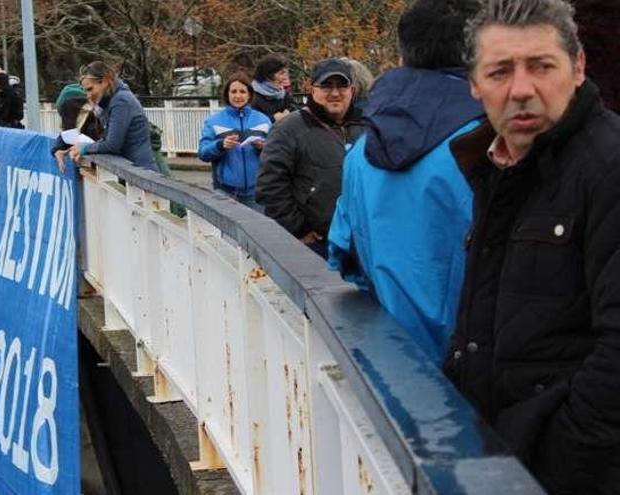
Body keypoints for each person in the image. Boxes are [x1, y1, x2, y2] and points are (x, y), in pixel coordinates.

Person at [443, 0, 620, 492]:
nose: (522, 90)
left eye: (542, 66)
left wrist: (553, 456)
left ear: (578, 66)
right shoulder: (500, 167)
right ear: (475, 84)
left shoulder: (607, 168)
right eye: (500, 71)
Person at [326, 0, 483, 362]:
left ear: (403, 54)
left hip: (396, 359)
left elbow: (343, 251)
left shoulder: (362, 151)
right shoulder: (496, 142)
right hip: (480, 369)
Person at [256, 58, 364, 257]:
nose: (335, 93)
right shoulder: (289, 129)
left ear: (352, 90)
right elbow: (270, 186)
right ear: (312, 90)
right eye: (326, 86)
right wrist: (298, 229)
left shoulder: (366, 126)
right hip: (318, 244)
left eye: (342, 86)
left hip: (362, 243)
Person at [198, 72, 271, 208]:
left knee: (255, 229)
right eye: (233, 92)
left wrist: (264, 147)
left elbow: (276, 153)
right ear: (227, 94)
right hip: (225, 191)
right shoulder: (214, 121)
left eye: (242, 91)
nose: (238, 96)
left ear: (249, 94)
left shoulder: (263, 120)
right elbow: (203, 152)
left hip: (256, 192)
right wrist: (220, 145)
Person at [67, 62, 156, 171]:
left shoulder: (121, 101)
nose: (88, 95)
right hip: (131, 170)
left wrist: (85, 148)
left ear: (104, 81)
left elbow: (112, 145)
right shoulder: (110, 101)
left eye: (90, 89)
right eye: (85, 91)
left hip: (140, 173)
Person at [250, 54, 299, 122]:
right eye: (281, 73)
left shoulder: (282, 92)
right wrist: (273, 118)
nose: (284, 77)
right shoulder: (253, 96)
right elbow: (252, 120)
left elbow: (295, 107)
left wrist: (288, 111)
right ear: (268, 76)